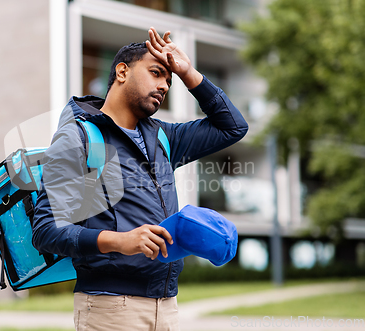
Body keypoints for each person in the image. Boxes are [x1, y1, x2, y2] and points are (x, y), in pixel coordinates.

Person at [32, 27, 248, 331]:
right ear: (122, 71)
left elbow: (233, 127)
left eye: (169, 81)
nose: (163, 85)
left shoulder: (163, 136)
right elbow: (45, 231)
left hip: (166, 306)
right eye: (156, 72)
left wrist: (188, 73)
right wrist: (121, 241)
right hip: (110, 307)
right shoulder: (77, 138)